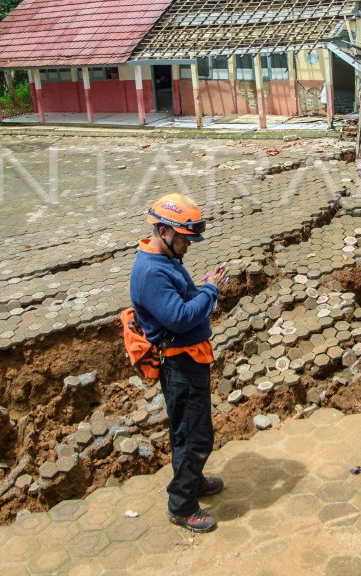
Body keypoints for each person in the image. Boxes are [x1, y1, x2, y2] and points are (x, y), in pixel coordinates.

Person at [130, 193, 229, 533]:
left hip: (189, 360)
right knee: (194, 436)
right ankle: (182, 506)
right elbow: (181, 317)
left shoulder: (165, 261)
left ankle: (194, 479)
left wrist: (201, 286)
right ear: (162, 231)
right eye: (185, 239)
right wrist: (211, 291)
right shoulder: (150, 272)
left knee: (189, 429)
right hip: (179, 366)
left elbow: (179, 300)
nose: (189, 246)